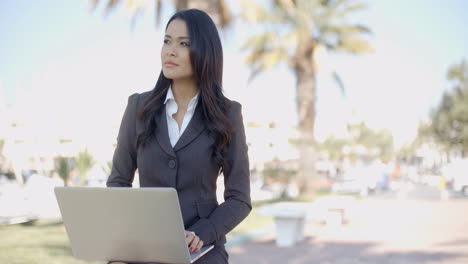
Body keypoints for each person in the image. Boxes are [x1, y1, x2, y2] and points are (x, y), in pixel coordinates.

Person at [106, 8, 251, 264]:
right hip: (144, 251)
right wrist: (122, 246)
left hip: (203, 252)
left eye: (183, 44)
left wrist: (203, 232)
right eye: (166, 41)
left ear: (205, 52)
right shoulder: (138, 108)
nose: (170, 51)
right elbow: (118, 184)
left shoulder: (228, 114)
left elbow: (239, 198)